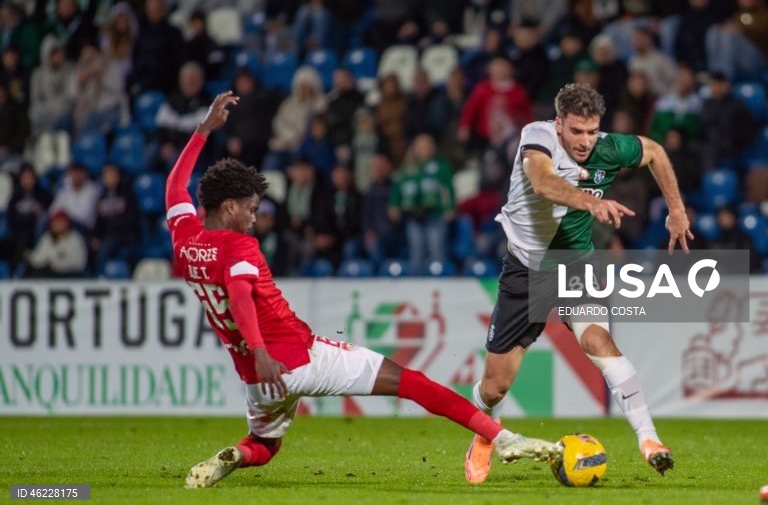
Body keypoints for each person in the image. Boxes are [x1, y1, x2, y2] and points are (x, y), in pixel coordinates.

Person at [167, 92, 561, 489]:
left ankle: (234, 455)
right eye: (251, 209)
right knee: (412, 383)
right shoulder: (240, 247)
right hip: (295, 355)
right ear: (230, 206)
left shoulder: (184, 237)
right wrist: (261, 350)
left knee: (265, 444)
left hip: (256, 377)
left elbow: (174, 185)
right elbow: (238, 295)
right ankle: (505, 438)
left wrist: (203, 131)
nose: (254, 219)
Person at [464, 83, 692, 484]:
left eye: (592, 131)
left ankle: (649, 440)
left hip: (575, 266)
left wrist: (676, 210)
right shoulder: (536, 138)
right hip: (527, 271)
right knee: (496, 386)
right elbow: (543, 183)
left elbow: (654, 151)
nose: (585, 141)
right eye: (576, 132)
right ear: (559, 124)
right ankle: (485, 434)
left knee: (598, 342)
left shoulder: (609, 147)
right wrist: (592, 201)